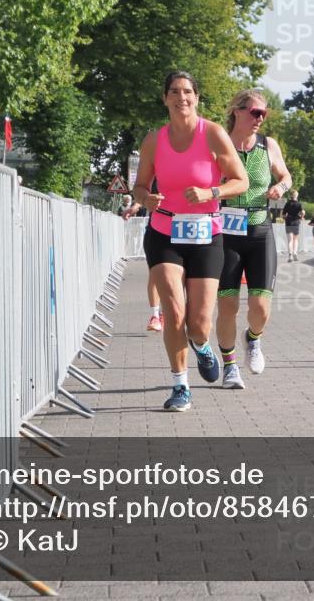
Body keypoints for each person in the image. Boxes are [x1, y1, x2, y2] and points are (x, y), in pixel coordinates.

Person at [132, 72, 248, 412]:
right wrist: (145, 198)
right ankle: (180, 385)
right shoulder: (154, 140)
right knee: (174, 311)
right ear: (165, 98)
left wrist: (210, 192)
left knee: (199, 322)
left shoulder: (212, 134)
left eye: (187, 92)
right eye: (174, 92)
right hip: (164, 232)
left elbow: (239, 181)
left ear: (196, 97)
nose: (181, 97)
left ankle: (202, 345)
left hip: (205, 235)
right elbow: (139, 186)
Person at [216, 89, 293, 389]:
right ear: (237, 111)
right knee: (228, 305)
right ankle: (230, 366)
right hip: (226, 233)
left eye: (264, 113)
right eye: (255, 113)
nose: (260, 119)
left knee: (260, 308)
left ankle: (253, 339)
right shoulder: (219, 143)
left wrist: (281, 188)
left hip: (260, 230)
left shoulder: (267, 145)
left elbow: (285, 176)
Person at [122, 195, 163, 332]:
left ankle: (167, 313)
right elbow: (143, 194)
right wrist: (133, 208)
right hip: (157, 232)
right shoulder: (156, 175)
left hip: (184, 234)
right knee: (155, 274)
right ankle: (155, 316)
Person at [282, 189, 305, 261]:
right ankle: (295, 253)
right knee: (296, 239)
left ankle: (290, 256)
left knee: (290, 240)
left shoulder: (287, 203)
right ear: (296, 196)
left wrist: (285, 218)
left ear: (291, 196)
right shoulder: (299, 204)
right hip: (296, 222)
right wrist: (301, 217)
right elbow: (303, 212)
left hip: (289, 222)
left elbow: (283, 214)